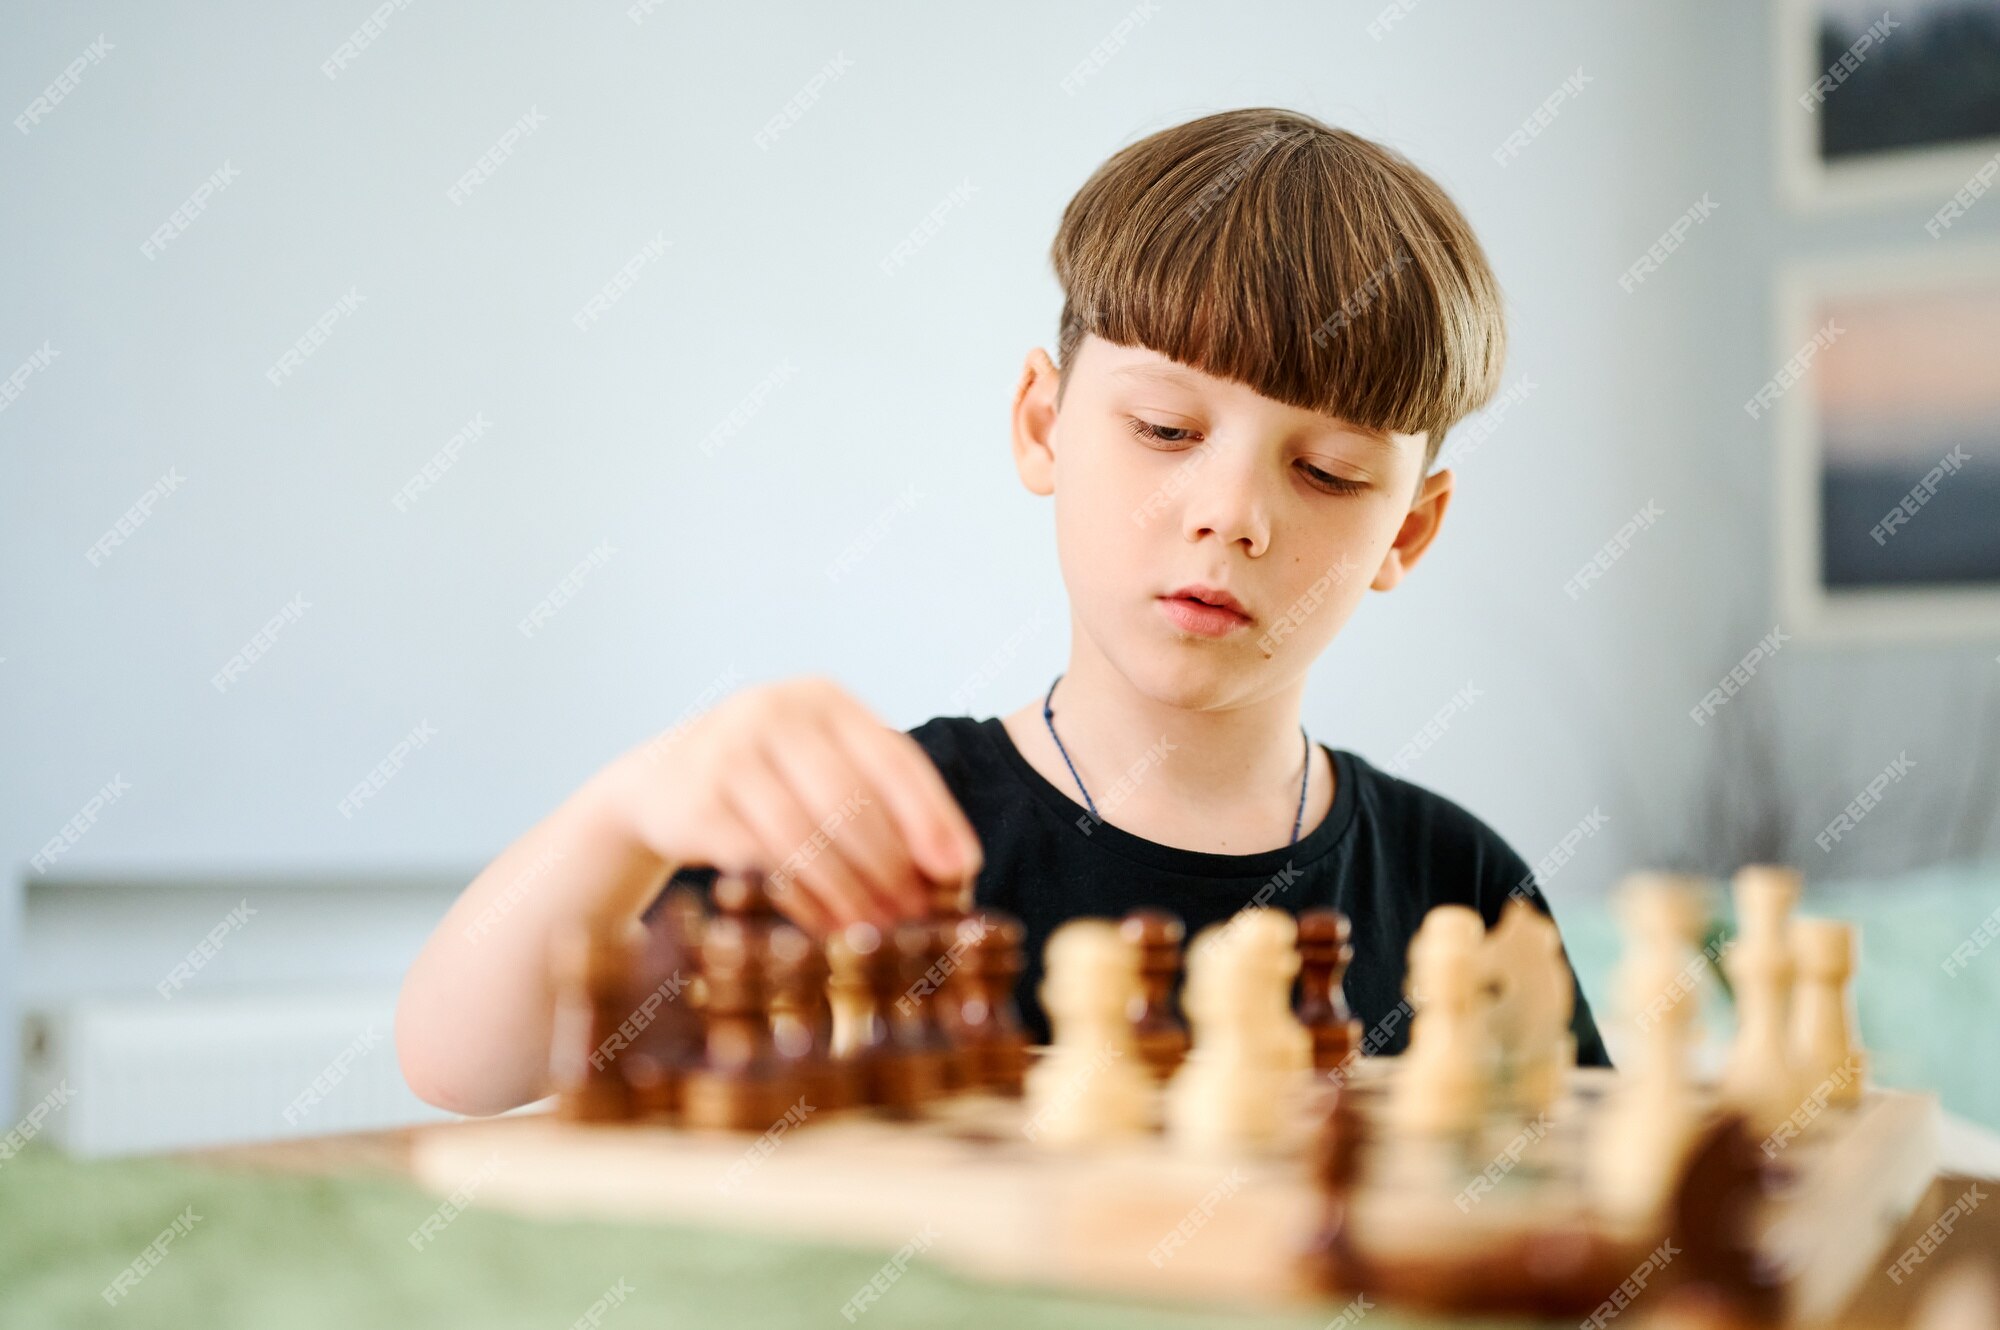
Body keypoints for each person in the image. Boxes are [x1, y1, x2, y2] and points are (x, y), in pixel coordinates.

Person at [396, 106, 1609, 1117]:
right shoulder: (867, 839)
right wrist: (634, 803)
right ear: (1041, 423)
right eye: (1165, 430)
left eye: (1327, 473)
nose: (1230, 515)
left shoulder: (1461, 883)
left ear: (1406, 528)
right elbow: (462, 1064)